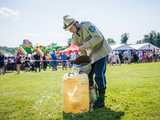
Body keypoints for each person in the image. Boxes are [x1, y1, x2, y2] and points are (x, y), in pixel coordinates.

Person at [63, 15, 112, 108]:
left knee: (98, 75)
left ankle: (101, 99)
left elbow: (98, 37)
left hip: (101, 51)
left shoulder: (87, 25)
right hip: (91, 56)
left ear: (75, 23)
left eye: (70, 28)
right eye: (68, 29)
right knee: (88, 76)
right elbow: (76, 49)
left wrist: (82, 47)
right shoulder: (74, 36)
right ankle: (93, 97)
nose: (70, 31)